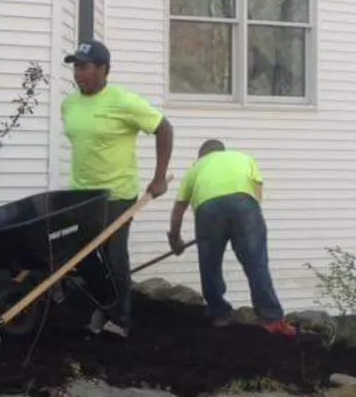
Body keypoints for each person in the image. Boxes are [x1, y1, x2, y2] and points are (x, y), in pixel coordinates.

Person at [61, 39, 174, 339]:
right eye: (75, 67)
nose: (77, 73)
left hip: (117, 194)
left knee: (114, 255)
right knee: (83, 255)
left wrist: (159, 176)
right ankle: (106, 303)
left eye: (84, 67)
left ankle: (120, 320)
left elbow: (164, 127)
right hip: (83, 194)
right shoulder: (69, 104)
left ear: (103, 69)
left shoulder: (123, 102)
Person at [168, 139, 295, 337]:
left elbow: (178, 210)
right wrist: (248, 221)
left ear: (201, 156)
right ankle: (271, 318)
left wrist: (175, 240)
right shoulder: (243, 158)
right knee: (256, 264)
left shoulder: (196, 168)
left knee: (210, 265)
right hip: (245, 206)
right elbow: (257, 192)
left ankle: (219, 315)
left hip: (208, 211)